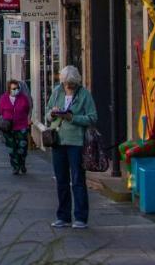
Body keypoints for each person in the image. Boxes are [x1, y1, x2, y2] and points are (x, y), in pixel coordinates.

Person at [46, 66, 97, 229]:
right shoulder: (57, 92)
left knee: (77, 180)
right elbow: (47, 113)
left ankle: (81, 217)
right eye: (66, 84)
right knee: (61, 180)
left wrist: (72, 118)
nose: (69, 87)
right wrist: (52, 114)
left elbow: (92, 117)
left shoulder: (84, 95)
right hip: (58, 141)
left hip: (76, 142)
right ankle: (63, 216)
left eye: (72, 84)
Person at [0, 78, 32, 175]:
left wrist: (27, 118)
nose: (15, 90)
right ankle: (15, 167)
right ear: (9, 89)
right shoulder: (4, 98)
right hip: (8, 127)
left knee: (22, 147)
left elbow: (27, 109)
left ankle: (22, 163)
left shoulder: (23, 98)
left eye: (16, 88)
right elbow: (0, 111)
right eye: (13, 88)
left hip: (21, 126)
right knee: (12, 148)